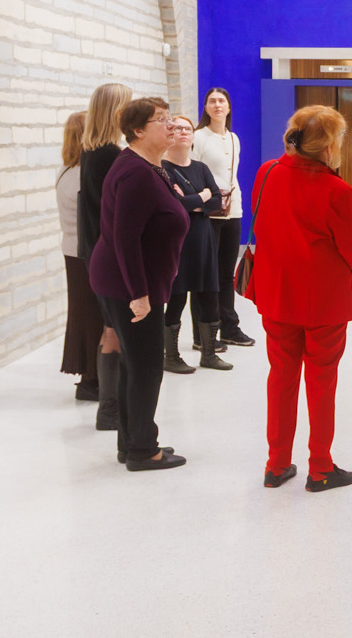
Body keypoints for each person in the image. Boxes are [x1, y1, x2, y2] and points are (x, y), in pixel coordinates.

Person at [247, 105, 352, 492]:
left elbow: (261, 223)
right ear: (330, 144)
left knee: (280, 378)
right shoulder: (337, 190)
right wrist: (349, 273)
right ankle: (320, 467)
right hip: (323, 302)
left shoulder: (267, 173)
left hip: (277, 294)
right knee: (321, 382)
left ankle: (276, 464)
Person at [87, 96, 189, 471]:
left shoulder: (147, 165)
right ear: (138, 131)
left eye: (170, 118)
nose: (171, 125)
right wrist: (139, 295)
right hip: (129, 284)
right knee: (146, 366)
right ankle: (144, 450)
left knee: (135, 364)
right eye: (161, 120)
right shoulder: (135, 172)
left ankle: (131, 442)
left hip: (131, 280)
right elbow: (125, 238)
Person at [79, 82, 131, 432]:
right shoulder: (109, 155)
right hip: (107, 252)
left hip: (94, 249)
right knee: (114, 329)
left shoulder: (91, 151)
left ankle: (109, 408)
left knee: (110, 327)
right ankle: (110, 409)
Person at [163, 114, 233, 374]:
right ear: (169, 134)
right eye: (177, 128)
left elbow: (217, 201)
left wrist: (194, 200)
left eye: (188, 129)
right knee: (176, 299)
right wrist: (201, 197)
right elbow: (174, 205)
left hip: (203, 241)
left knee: (210, 298)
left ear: (193, 136)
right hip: (178, 244)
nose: (183, 132)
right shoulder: (162, 169)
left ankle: (209, 354)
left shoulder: (201, 168)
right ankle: (171, 356)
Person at [194, 87, 257, 347]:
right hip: (208, 212)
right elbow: (192, 173)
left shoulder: (233, 138)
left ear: (229, 107)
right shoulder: (198, 137)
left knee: (226, 274)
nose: (217, 105)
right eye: (212, 101)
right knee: (205, 274)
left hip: (233, 211)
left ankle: (229, 327)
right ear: (206, 107)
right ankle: (202, 335)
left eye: (222, 101)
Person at [55, 111, 101, 402]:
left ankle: (91, 376)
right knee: (92, 317)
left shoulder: (65, 169)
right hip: (84, 253)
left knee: (83, 314)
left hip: (73, 251)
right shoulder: (82, 175)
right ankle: (92, 378)